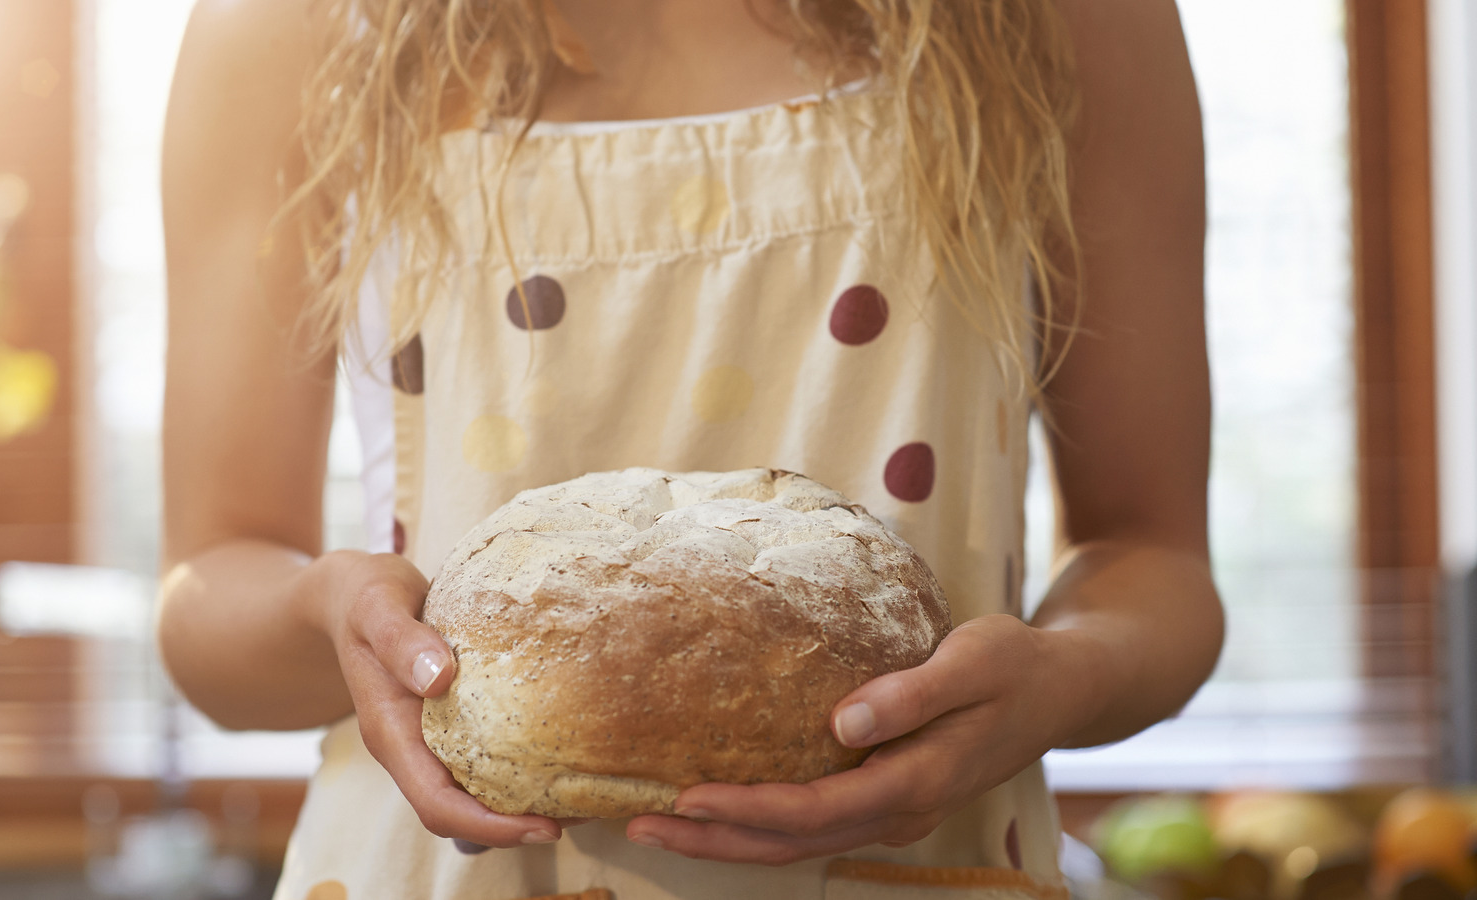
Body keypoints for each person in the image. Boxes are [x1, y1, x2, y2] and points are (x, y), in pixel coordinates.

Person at [158, 0, 1222, 896]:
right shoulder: (296, 26)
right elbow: (213, 590)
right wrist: (332, 615)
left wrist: (1062, 679)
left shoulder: (1056, 19)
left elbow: (1155, 560)